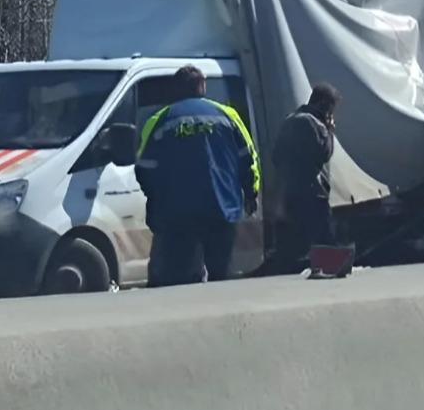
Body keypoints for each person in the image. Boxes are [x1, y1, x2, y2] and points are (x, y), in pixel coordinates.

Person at [135, 66, 259, 287]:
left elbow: (144, 168)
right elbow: (248, 159)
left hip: (178, 213)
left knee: (181, 279)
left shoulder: (160, 119)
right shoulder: (227, 116)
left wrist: (156, 199)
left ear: (176, 88)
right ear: (202, 86)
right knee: (221, 274)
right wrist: (251, 192)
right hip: (223, 208)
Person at [270, 83, 340, 273]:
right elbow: (324, 154)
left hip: (290, 190)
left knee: (293, 239)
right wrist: (330, 132)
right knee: (323, 237)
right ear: (325, 104)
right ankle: (328, 268)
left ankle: (288, 269)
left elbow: (276, 156)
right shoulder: (315, 123)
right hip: (313, 190)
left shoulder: (290, 120)